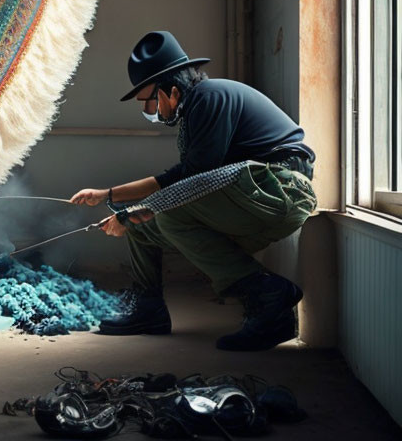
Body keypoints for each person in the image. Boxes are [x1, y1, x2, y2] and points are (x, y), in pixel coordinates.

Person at [71, 31, 317, 351]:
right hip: (256, 192)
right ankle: (150, 311)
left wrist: (133, 211)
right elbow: (182, 177)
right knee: (144, 227)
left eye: (149, 99)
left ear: (172, 90)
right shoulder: (196, 108)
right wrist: (109, 195)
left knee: (164, 213)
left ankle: (267, 294)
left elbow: (193, 181)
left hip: (284, 186)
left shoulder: (209, 97)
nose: (150, 110)